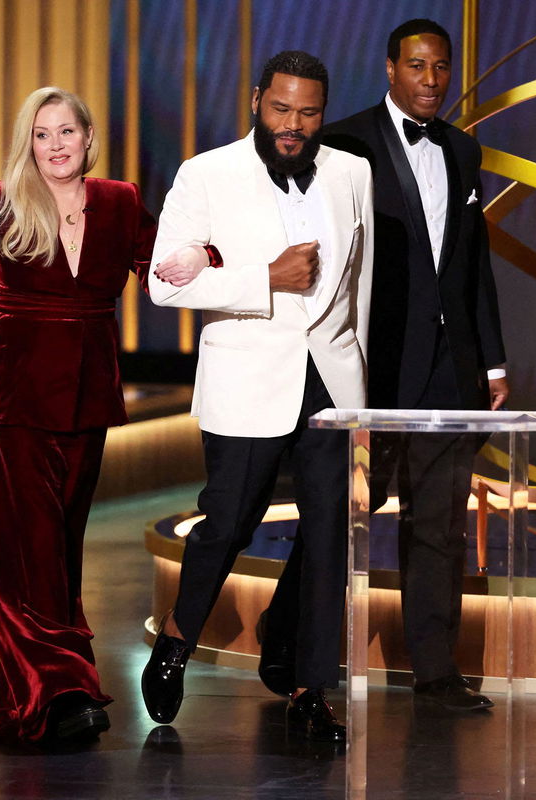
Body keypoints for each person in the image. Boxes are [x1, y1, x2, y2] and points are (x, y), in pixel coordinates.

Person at [141, 50, 373, 742]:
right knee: (230, 522)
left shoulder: (351, 172)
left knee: (330, 531)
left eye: (307, 113)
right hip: (247, 377)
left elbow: (360, 290)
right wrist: (263, 277)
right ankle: (179, 637)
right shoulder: (206, 174)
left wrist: (360, 395)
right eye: (280, 109)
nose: (293, 125)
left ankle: (309, 686)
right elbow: (163, 283)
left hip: (331, 381)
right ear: (255, 101)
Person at [0, 86, 158, 743]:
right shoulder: (2, 200)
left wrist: (214, 261)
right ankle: (66, 689)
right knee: (31, 544)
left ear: (88, 138)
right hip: (17, 389)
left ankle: (30, 691)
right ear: (30, 143)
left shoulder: (120, 202)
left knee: (61, 545)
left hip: (89, 391)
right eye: (42, 134)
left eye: (67, 132)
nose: (55, 146)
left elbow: (161, 269)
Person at [322, 18, 508, 711]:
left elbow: (472, 266)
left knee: (439, 523)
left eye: (441, 68)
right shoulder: (345, 141)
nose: (431, 81)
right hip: (372, 364)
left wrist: (491, 361)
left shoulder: (463, 150)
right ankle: (307, 662)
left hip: (449, 370)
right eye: (418, 67)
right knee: (337, 520)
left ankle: (435, 671)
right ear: (391, 69)